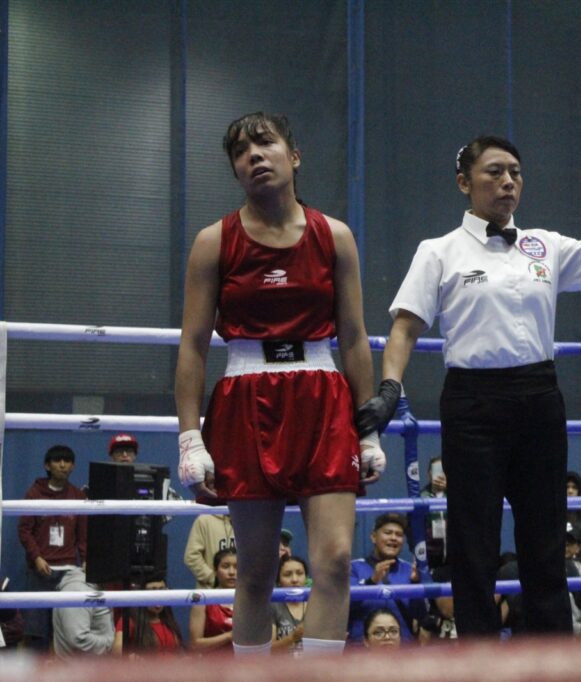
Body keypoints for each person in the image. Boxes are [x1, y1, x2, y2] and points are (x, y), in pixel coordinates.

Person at [371, 134, 581, 637]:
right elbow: (404, 329)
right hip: (472, 403)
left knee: (545, 539)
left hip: (539, 397)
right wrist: (389, 389)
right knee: (474, 542)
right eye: (494, 171)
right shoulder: (438, 251)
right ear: (464, 182)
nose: (508, 181)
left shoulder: (546, 244)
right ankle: (479, 661)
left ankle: (550, 660)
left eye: (515, 172)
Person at [174, 112, 384, 657]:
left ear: (294, 155)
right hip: (247, 396)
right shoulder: (213, 242)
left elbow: (354, 337)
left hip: (323, 397)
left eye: (265, 143)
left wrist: (368, 430)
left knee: (335, 559)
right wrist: (189, 437)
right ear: (236, 171)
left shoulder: (334, 236)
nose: (254, 155)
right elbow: (193, 345)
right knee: (255, 570)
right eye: (241, 152)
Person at [17, 444, 88, 653]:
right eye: (58, 461)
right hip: (41, 571)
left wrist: (85, 560)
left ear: (73, 466)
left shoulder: (78, 496)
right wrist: (37, 558)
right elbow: (24, 530)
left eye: (67, 461)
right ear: (47, 466)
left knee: (67, 630)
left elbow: (83, 534)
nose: (63, 465)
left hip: (69, 573)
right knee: (37, 631)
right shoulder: (34, 494)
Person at [349, 513, 426, 642]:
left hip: (403, 649)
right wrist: (371, 582)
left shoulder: (411, 570)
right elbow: (344, 608)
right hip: (361, 649)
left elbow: (420, 615)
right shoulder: (353, 568)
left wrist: (415, 584)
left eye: (399, 534)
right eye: (388, 533)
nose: (393, 538)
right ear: (373, 537)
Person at [51, 567, 114, 659]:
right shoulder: (77, 590)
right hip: (78, 667)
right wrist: (110, 644)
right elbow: (78, 639)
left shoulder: (93, 587)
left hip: (92, 665)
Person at [113, 575, 184, 656]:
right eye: (153, 591)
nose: (158, 596)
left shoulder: (169, 620)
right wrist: (131, 658)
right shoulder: (130, 620)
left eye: (162, 590)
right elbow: (117, 651)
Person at [189, 547, 237, 651]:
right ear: (215, 571)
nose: (232, 572)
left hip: (245, 661)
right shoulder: (202, 601)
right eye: (225, 566)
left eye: (237, 567)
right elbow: (195, 644)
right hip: (211, 660)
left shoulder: (251, 602)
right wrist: (229, 636)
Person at [184, 513, 235, 588]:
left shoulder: (248, 521)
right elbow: (192, 556)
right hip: (209, 590)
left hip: (242, 591)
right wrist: (212, 578)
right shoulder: (204, 520)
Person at [271, 555, 308, 653]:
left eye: (300, 573)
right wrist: (292, 638)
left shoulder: (316, 606)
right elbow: (268, 651)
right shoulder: (272, 607)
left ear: (306, 577)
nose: (295, 579)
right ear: (278, 580)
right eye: (287, 575)